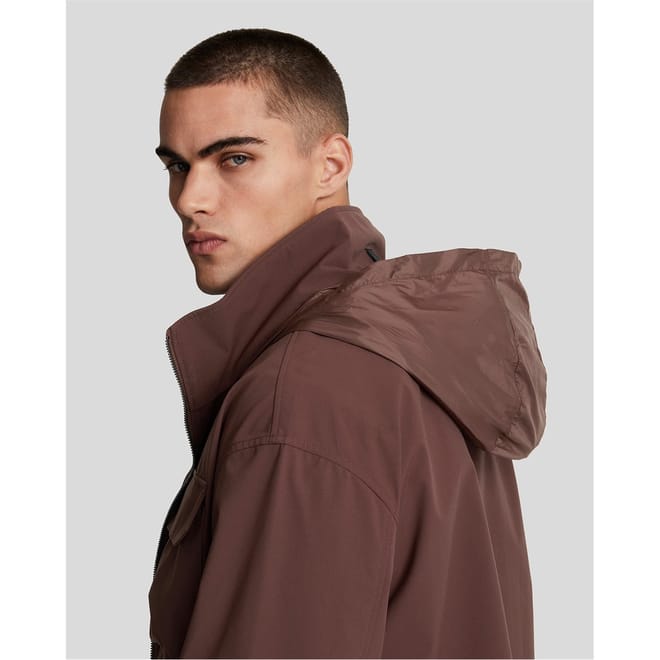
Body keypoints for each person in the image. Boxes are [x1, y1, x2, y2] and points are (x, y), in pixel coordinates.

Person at [148, 27, 547, 659]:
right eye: (177, 165)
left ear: (331, 165)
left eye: (234, 159)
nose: (189, 200)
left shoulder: (302, 394)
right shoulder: (413, 350)